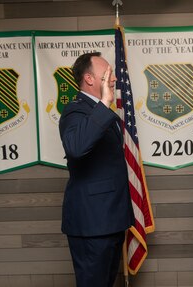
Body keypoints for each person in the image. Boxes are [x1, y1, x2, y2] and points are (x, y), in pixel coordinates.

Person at [59, 52, 134, 287]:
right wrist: (104, 103)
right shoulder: (75, 110)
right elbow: (77, 147)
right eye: (107, 74)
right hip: (92, 223)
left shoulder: (99, 111)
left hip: (109, 219)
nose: (113, 79)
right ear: (89, 79)